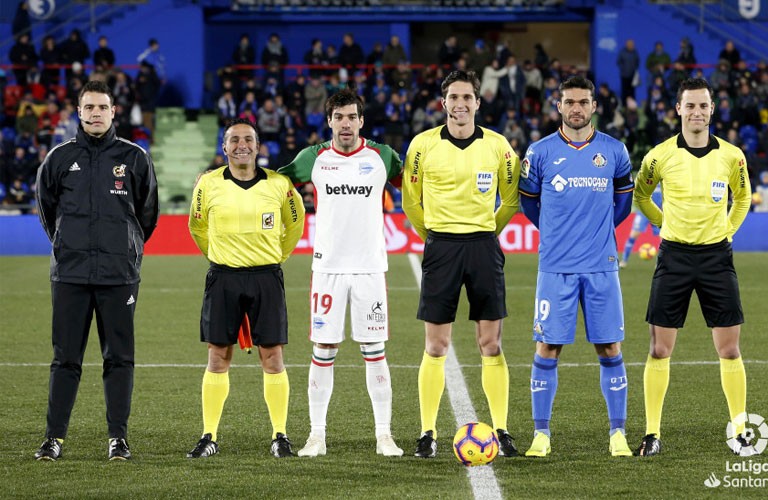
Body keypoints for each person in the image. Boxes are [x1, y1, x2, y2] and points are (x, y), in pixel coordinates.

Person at [33, 80, 159, 461]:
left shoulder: (135, 157)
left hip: (119, 276)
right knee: (65, 358)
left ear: (113, 111)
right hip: (70, 274)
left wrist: (127, 252)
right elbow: (47, 211)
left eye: (102, 107)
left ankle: (117, 439)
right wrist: (68, 246)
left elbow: (147, 215)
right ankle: (54, 438)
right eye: (88, 108)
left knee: (118, 358)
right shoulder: (58, 158)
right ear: (78, 111)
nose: (95, 114)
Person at [277, 89, 404, 457]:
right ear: (329, 121)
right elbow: (275, 184)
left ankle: (384, 435)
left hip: (369, 269)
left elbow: (411, 186)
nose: (345, 124)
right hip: (328, 269)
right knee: (324, 348)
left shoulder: (382, 156)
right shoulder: (313, 158)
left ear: (361, 121)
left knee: (374, 350)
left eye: (352, 117)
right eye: (339, 117)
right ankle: (317, 435)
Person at [402, 70, 521, 459]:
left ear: (477, 102)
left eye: (467, 97)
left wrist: (487, 231)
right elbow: (411, 202)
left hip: (484, 247)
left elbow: (510, 199)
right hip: (441, 248)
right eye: (454, 97)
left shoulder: (499, 147)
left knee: (491, 343)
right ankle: (427, 432)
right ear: (444, 103)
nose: (461, 104)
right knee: (436, 345)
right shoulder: (422, 147)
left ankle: (501, 429)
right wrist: (435, 235)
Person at [633, 78, 751, 456]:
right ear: (679, 109)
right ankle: (652, 433)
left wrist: (728, 230)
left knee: (729, 349)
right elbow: (640, 193)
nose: (697, 112)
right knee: (659, 349)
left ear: (712, 109)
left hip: (717, 259)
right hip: (674, 257)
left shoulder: (732, 156)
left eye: (704, 106)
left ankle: (739, 428)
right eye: (691, 106)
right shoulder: (660, 155)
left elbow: (743, 196)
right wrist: (661, 220)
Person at [518, 76, 634, 458]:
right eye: (569, 102)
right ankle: (541, 434)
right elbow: (530, 205)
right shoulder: (539, 152)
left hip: (601, 266)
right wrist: (558, 233)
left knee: (609, 346)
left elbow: (622, 206)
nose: (576, 109)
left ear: (594, 106)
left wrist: (595, 234)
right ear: (559, 106)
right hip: (555, 267)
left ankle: (617, 434)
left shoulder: (615, 151)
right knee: (547, 346)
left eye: (583, 102)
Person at [186, 118, 305, 459]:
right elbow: (197, 226)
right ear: (224, 148)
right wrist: (216, 254)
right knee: (218, 356)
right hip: (223, 277)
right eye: (234, 139)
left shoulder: (279, 184)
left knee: (273, 356)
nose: (242, 144)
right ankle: (209, 435)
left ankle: (279, 435)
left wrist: (276, 255)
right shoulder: (207, 185)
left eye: (248, 139)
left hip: (266, 277)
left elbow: (294, 224)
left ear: (258, 146)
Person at [620, 184, 662, 268]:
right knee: (634, 234)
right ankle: (624, 261)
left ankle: (660, 263)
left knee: (663, 238)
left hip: (658, 211)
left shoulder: (664, 178)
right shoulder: (646, 176)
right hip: (644, 211)